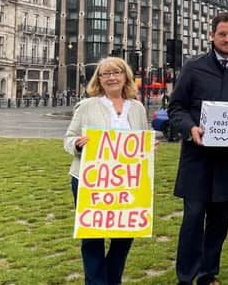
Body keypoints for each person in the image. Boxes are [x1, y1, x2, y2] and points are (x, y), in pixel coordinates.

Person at [169, 12, 228, 285]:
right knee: (194, 218)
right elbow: (176, 107)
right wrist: (190, 128)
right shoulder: (193, 67)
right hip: (197, 158)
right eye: (222, 34)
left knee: (219, 222)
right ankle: (186, 276)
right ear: (212, 35)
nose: (227, 39)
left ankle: (208, 274)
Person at [63, 56, 149, 285]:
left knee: (125, 234)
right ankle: (96, 282)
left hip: (127, 183)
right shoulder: (87, 106)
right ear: (99, 79)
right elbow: (68, 138)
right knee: (92, 237)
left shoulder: (138, 108)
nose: (111, 77)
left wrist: (148, 148)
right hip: (88, 180)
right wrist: (78, 144)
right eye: (105, 74)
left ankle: (111, 279)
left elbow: (141, 141)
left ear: (125, 76)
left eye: (116, 72)